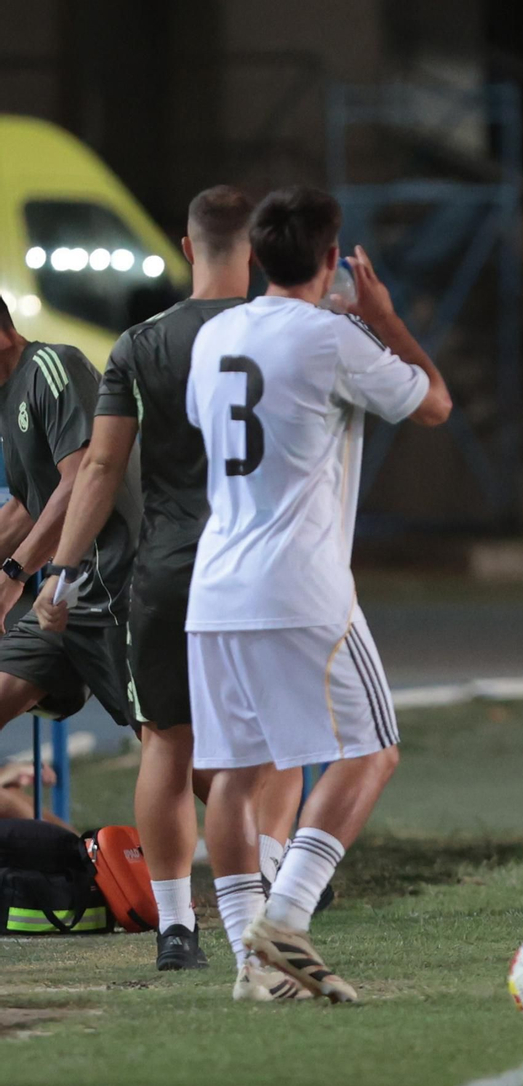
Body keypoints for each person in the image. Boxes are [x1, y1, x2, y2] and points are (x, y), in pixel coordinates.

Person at [183, 187, 451, 1003]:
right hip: (301, 585)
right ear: (333, 259)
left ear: (257, 257)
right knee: (372, 749)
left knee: (234, 770)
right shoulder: (334, 336)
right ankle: (287, 920)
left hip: (217, 584)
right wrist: (384, 315)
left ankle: (250, 964)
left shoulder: (215, 334)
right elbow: (433, 401)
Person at [35, 186, 303, 983]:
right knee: (279, 737)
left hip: (172, 564)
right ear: (253, 250)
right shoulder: (283, 334)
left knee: (166, 739)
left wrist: (62, 569)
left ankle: (176, 926)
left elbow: (105, 466)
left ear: (187, 248)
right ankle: (272, 894)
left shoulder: (140, 343)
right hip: (262, 562)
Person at [0, 304, 141, 819]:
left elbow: (80, 477)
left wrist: (14, 574)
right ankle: (54, 856)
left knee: (170, 747)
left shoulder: (52, 368)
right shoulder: (4, 397)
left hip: (113, 589)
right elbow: (24, 506)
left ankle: (274, 854)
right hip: (58, 605)